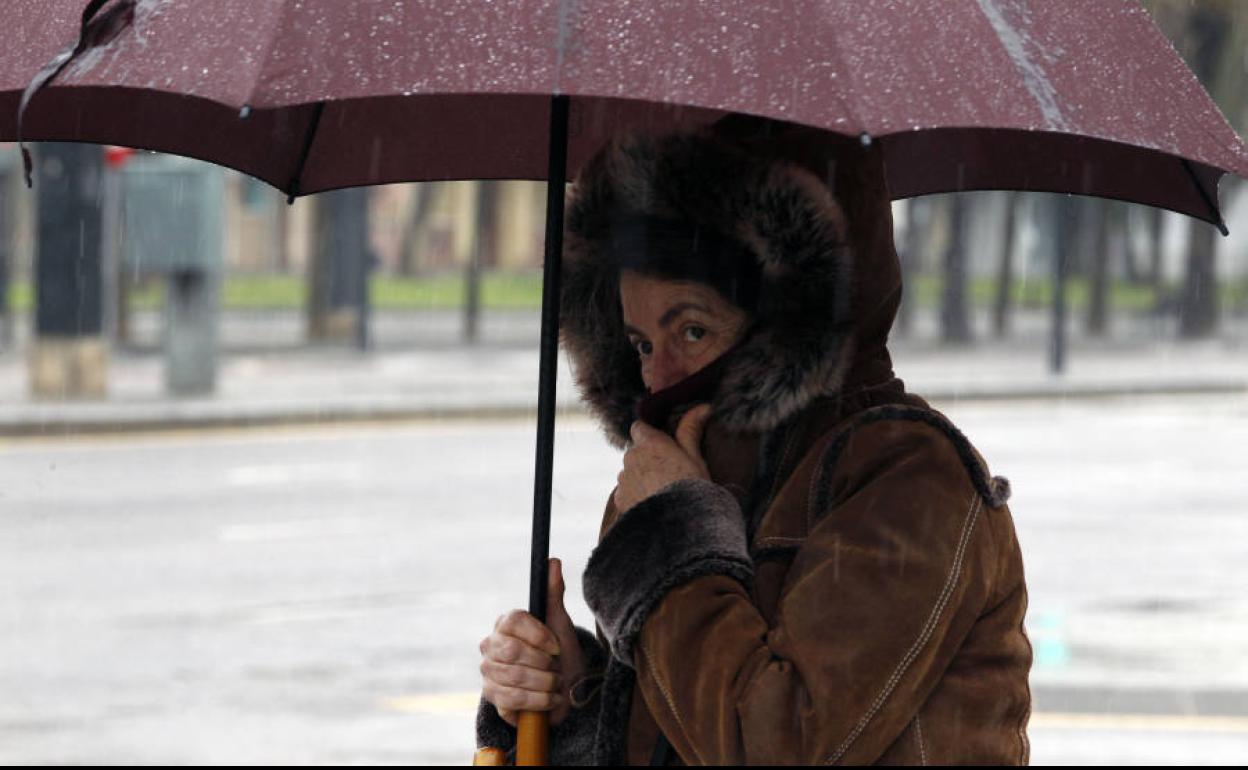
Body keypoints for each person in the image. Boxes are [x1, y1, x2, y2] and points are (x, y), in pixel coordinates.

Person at [476, 124, 1032, 765]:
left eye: (691, 328)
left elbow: (783, 746)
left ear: (786, 323)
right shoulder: (682, 474)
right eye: (641, 344)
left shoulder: (907, 476)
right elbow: (681, 733)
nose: (658, 377)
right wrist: (572, 696)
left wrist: (673, 547)